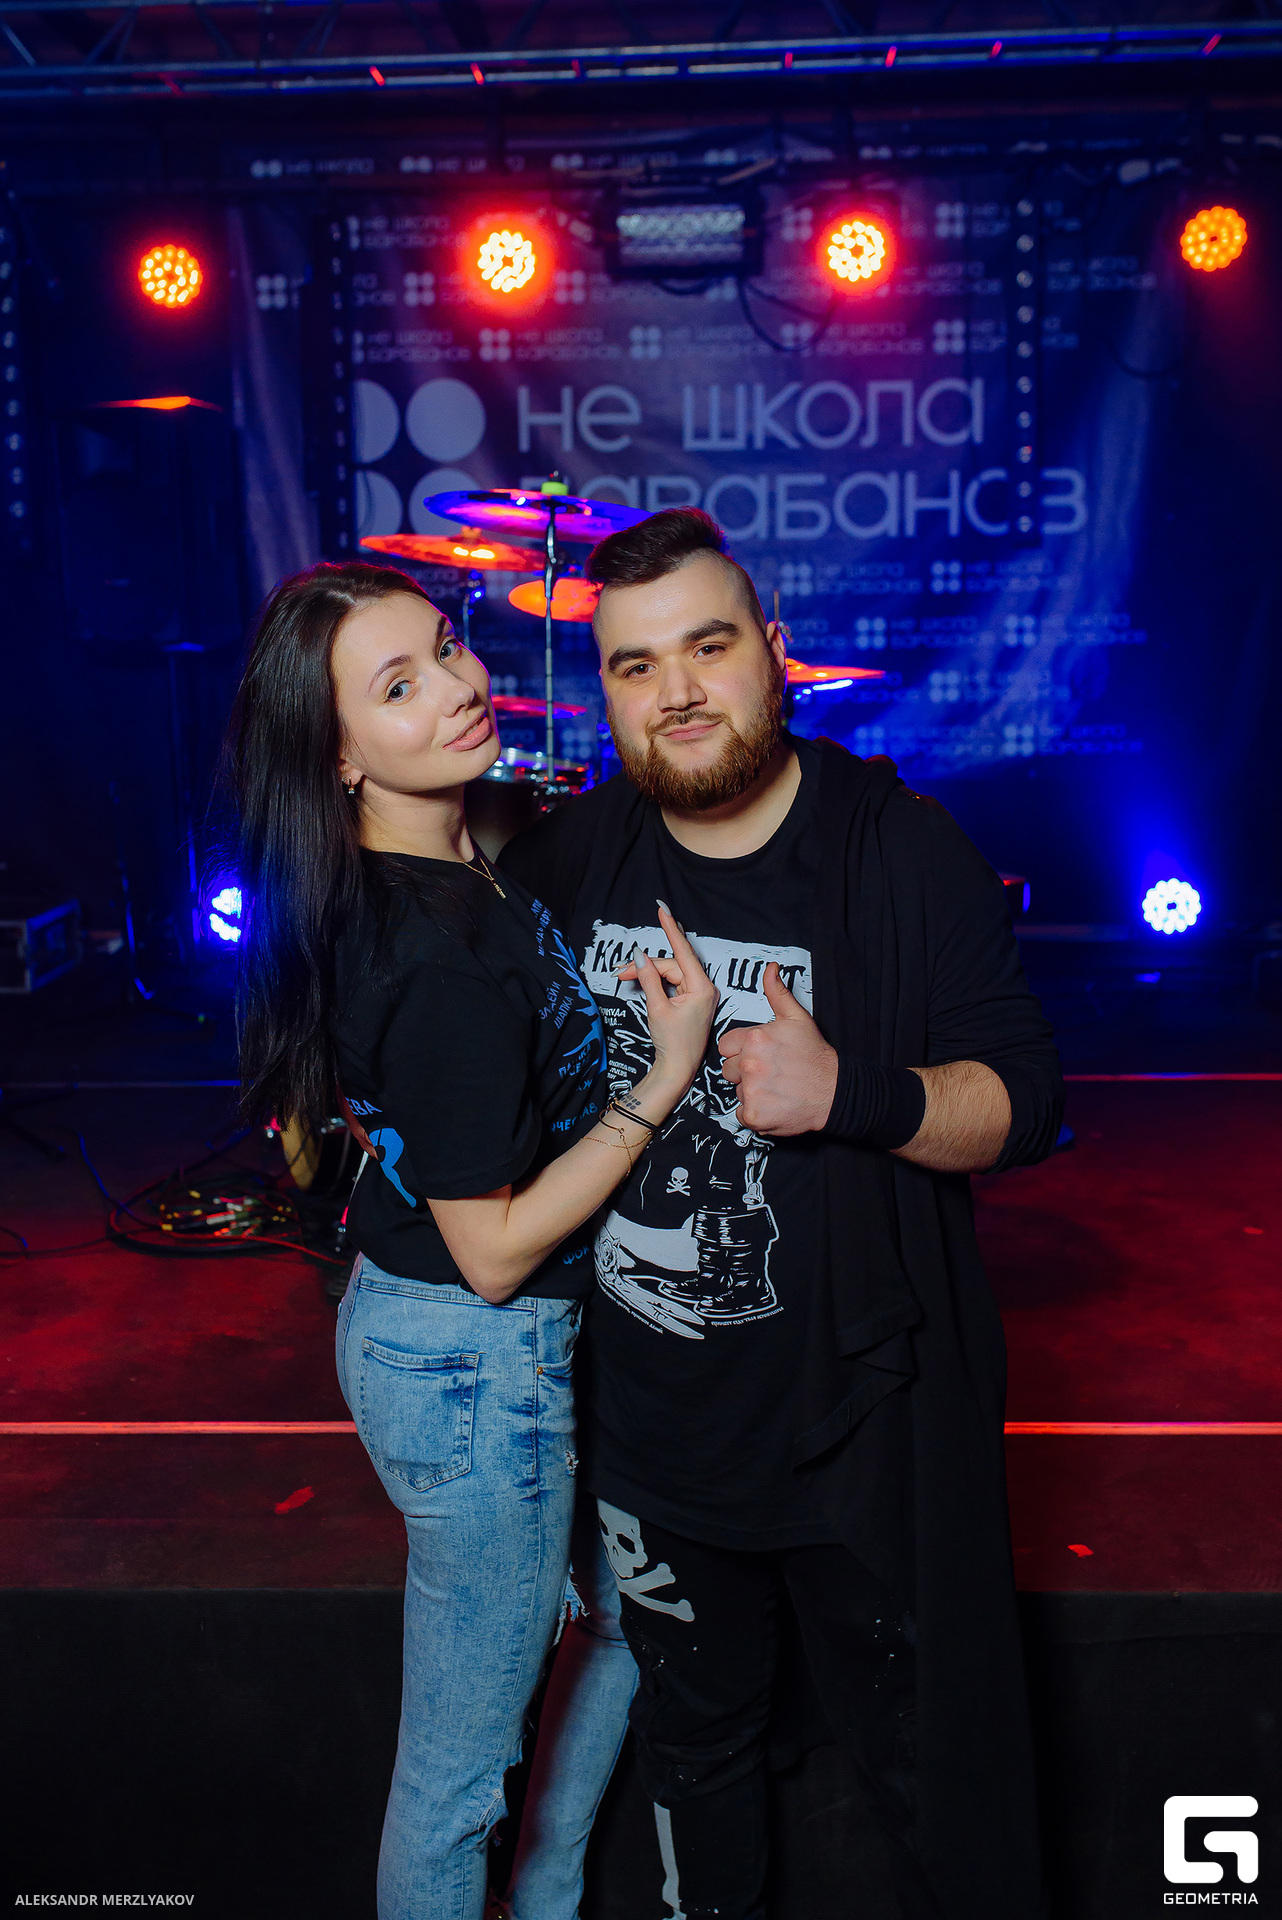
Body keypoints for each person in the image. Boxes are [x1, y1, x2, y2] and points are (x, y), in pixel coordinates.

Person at [498, 509, 1065, 1920]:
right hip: (654, 1444)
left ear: (776, 653)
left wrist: (847, 1093)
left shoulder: (899, 852)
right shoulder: (567, 861)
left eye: (707, 647)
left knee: (935, 1783)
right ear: (604, 690)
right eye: (634, 665)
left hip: (860, 1441)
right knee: (697, 1756)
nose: (676, 691)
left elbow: (1024, 1102)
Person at [226, 559, 717, 1920]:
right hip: (474, 1358)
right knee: (457, 1782)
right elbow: (494, 1250)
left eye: (446, 648)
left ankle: (546, 1900)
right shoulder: (428, 949)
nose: (455, 688)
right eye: (399, 687)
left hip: (452, 1341)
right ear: (339, 756)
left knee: (620, 1614)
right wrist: (664, 1075)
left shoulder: (446, 868)